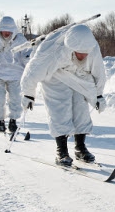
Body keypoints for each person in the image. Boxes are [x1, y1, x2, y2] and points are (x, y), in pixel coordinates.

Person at [19, 24, 106, 166]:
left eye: (86, 53)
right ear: (71, 48)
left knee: (81, 111)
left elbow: (99, 71)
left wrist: (99, 95)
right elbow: (33, 70)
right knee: (60, 111)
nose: (84, 55)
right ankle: (62, 151)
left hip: (79, 77)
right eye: (80, 53)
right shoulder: (53, 48)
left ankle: (80, 148)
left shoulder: (92, 47)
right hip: (55, 76)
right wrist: (28, 94)